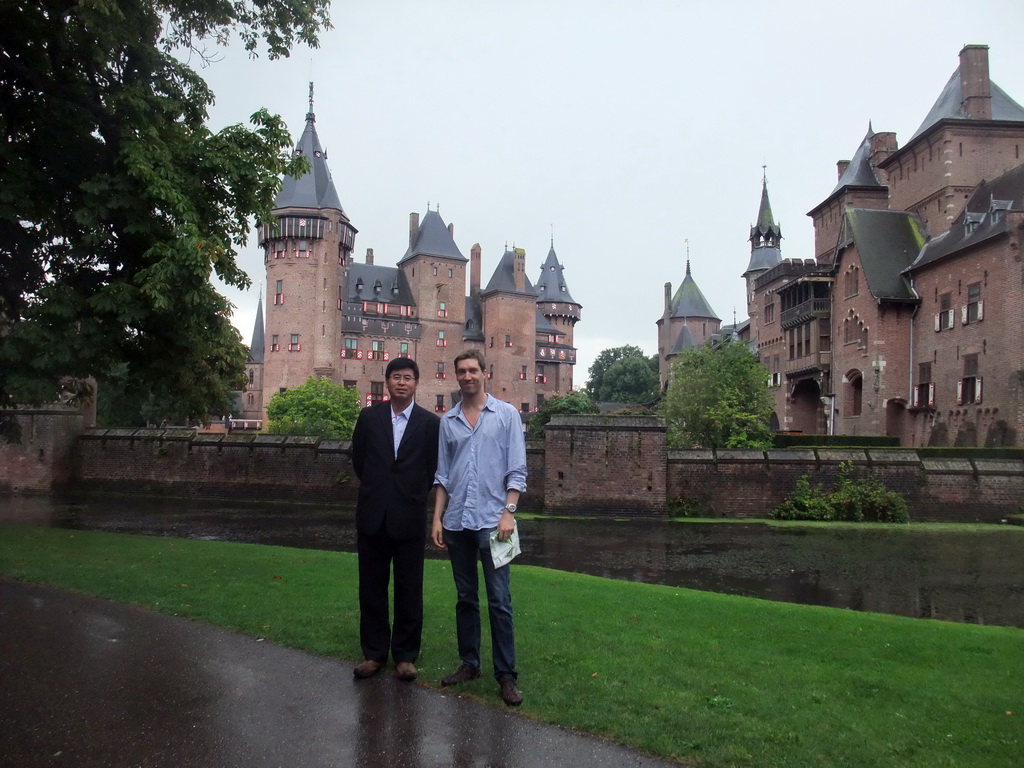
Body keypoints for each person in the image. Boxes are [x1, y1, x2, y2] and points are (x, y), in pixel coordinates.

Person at [431, 349, 527, 706]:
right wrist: (437, 518)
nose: (467, 376)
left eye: (473, 370)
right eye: (462, 371)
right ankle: (469, 663)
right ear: (456, 376)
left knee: (500, 601)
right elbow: (443, 475)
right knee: (466, 598)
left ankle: (506, 675)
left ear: (485, 373)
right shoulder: (448, 421)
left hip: (494, 524)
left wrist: (509, 512)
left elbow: (516, 469)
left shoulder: (506, 415)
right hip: (457, 524)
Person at [351, 357, 439, 681]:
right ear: (387, 382)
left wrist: (412, 493)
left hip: (409, 515)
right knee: (371, 588)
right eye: (396, 377)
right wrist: (379, 488)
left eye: (407, 378)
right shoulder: (369, 418)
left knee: (409, 589)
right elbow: (359, 460)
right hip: (373, 514)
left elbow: (432, 468)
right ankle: (374, 654)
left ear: (417, 383)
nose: (401, 382)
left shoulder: (430, 424)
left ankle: (405, 656)